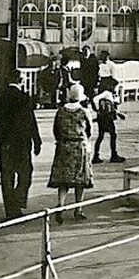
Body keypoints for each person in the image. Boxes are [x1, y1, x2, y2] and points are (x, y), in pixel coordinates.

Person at [0, 69, 42, 219]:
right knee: (25, 173)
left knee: (7, 176)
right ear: (21, 80)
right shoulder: (24, 98)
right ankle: (18, 201)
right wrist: (37, 140)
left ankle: (10, 209)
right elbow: (31, 121)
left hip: (4, 141)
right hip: (22, 142)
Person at [48, 84, 93, 224]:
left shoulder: (60, 111)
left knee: (63, 179)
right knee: (80, 180)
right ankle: (78, 208)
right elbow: (90, 130)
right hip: (79, 146)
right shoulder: (84, 112)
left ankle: (61, 205)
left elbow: (55, 129)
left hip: (64, 146)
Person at [91, 83, 125, 164]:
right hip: (107, 117)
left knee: (101, 136)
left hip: (103, 117)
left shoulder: (108, 94)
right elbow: (95, 99)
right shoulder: (107, 93)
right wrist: (98, 110)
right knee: (113, 135)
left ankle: (96, 155)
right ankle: (113, 155)